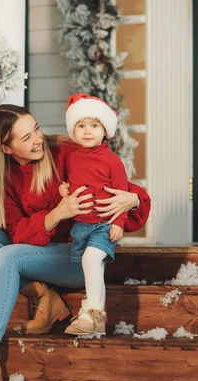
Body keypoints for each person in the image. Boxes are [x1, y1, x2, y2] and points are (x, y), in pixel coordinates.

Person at [0, 104, 150, 381]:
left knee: (7, 257)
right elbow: (17, 235)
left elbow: (123, 186)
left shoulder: (67, 151)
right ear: (6, 148)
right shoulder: (4, 177)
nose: (38, 139)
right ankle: (43, 296)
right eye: (26, 138)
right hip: (39, 252)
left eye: (36, 128)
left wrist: (133, 199)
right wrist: (56, 214)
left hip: (77, 255)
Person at [59, 94, 133, 336]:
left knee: (91, 260)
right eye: (81, 125)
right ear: (73, 130)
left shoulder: (113, 161)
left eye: (94, 125)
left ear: (105, 130)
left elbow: (122, 195)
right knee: (92, 266)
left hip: (104, 224)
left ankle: (91, 311)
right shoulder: (74, 158)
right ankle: (96, 321)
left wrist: (119, 223)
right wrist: (65, 190)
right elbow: (76, 183)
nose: (87, 131)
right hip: (81, 225)